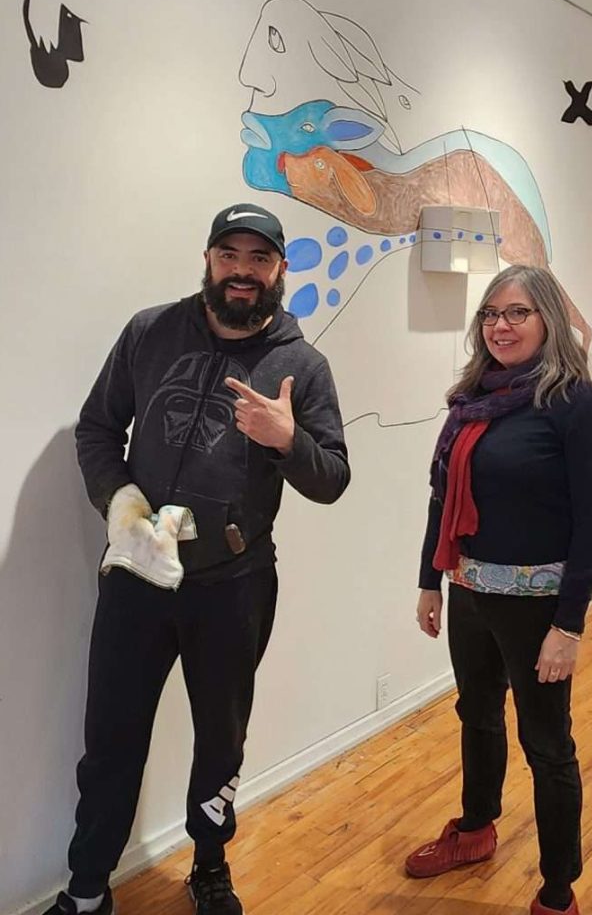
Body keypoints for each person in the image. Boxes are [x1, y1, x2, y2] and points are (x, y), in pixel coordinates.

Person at [47, 203, 351, 915]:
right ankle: (89, 886)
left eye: (259, 258)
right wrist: (121, 504)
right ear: (208, 260)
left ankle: (209, 864)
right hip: (137, 576)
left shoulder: (301, 366)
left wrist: (285, 439)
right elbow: (96, 429)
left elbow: (332, 477)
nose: (242, 271)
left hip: (235, 585)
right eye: (229, 255)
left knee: (222, 741)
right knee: (111, 742)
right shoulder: (149, 332)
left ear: (280, 269)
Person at [407, 265, 592, 915]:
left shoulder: (577, 404)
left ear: (549, 318)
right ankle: (475, 829)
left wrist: (570, 625)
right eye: (491, 314)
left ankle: (557, 892)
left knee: (547, 745)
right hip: (468, 590)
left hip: (538, 608)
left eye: (517, 313)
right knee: (476, 714)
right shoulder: (473, 399)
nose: (500, 325)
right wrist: (429, 581)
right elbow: (443, 496)